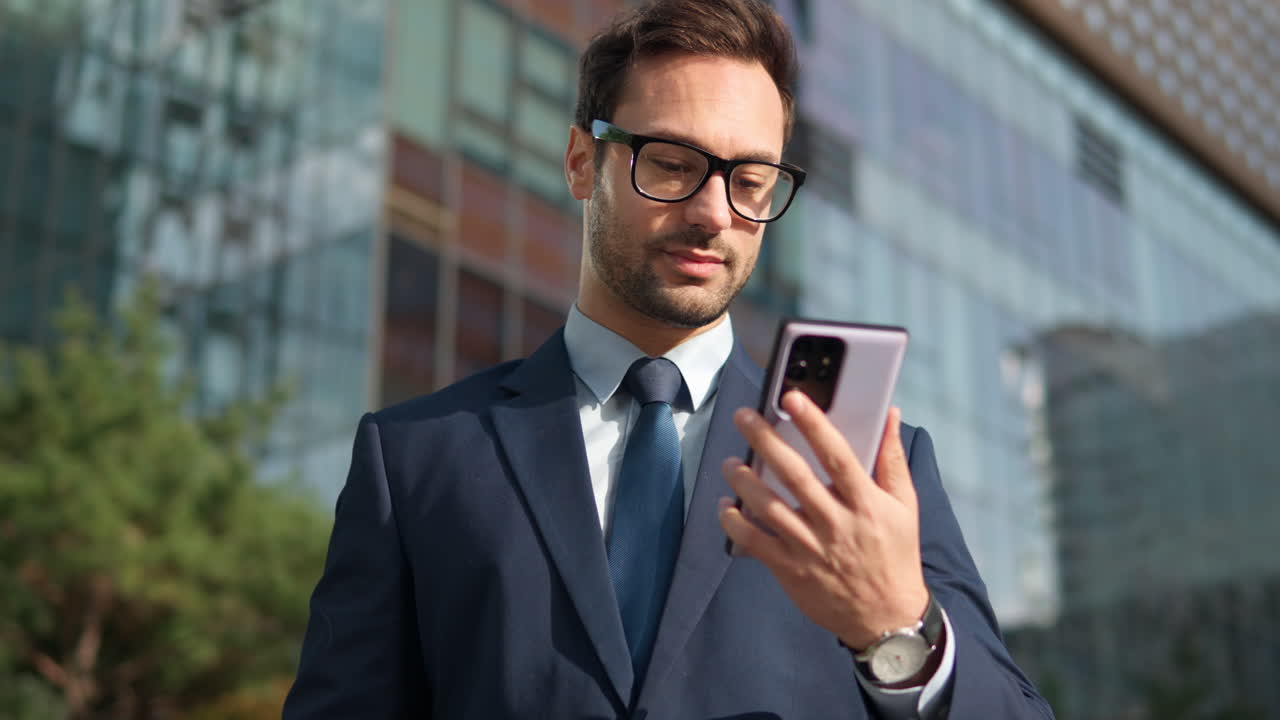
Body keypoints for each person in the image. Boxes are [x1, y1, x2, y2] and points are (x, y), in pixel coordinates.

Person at [283, 1, 1053, 717]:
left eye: (751, 180)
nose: (715, 213)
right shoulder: (415, 457)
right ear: (583, 162)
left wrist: (894, 629)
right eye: (673, 164)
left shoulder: (873, 470)